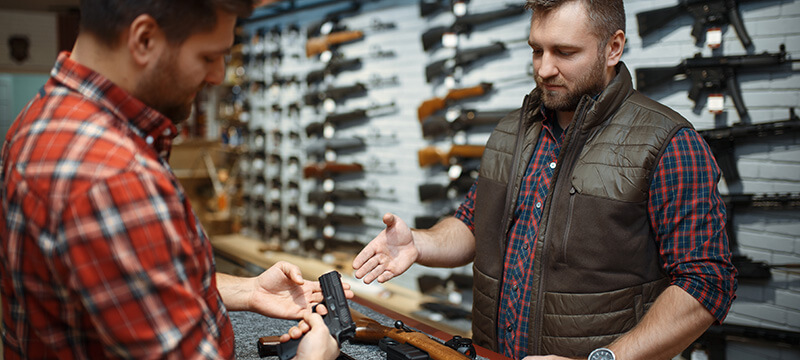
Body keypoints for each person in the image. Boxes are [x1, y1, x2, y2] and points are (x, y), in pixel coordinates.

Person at [353, 0, 737, 359]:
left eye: (565, 52)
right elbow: (472, 225)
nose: (543, 69)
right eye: (537, 50)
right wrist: (418, 243)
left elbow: (705, 283)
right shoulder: (510, 131)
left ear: (613, 47)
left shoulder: (668, 143)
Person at [0, 1, 346, 359]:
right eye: (209, 56)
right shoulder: (115, 178)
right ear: (144, 39)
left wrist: (249, 290)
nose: (217, 75)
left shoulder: (43, 116)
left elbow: (125, 283)